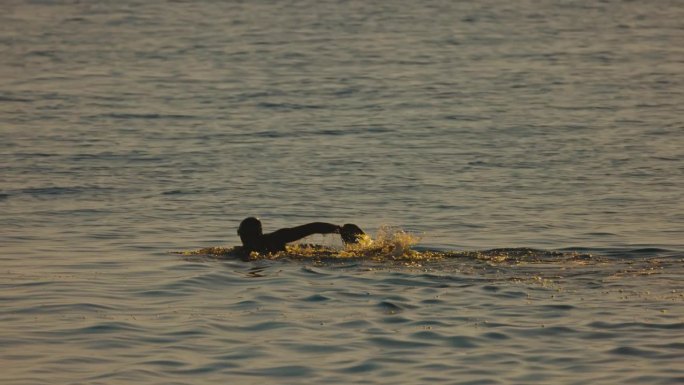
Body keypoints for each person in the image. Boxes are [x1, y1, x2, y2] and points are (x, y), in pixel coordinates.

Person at [237, 217, 365, 254]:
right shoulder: (275, 239)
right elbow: (312, 227)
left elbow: (311, 227)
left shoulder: (275, 239)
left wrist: (339, 230)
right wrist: (339, 230)